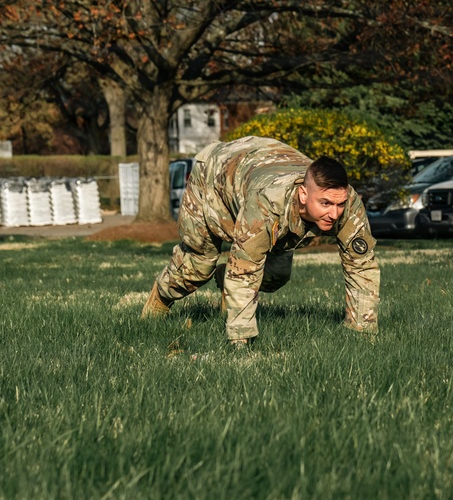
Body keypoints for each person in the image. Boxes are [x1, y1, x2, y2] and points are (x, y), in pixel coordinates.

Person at [141, 135, 380, 346]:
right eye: (326, 204)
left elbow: (362, 267)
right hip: (216, 172)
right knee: (198, 266)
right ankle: (160, 300)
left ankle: (226, 281)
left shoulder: (347, 205)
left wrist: (363, 332)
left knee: (276, 275)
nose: (335, 213)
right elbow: (245, 268)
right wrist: (240, 341)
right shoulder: (266, 204)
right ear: (303, 194)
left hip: (263, 166)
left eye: (339, 204)